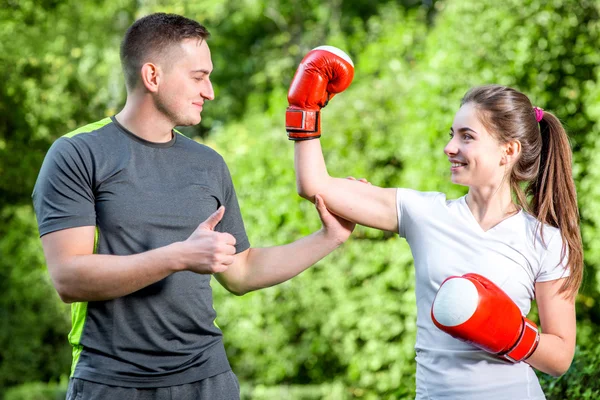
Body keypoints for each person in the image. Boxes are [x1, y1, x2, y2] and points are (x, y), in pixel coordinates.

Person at [32, 14, 355, 400]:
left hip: (209, 381)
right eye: (199, 77)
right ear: (152, 76)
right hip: (112, 383)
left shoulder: (208, 163)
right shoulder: (78, 153)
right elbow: (69, 278)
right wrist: (180, 256)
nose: (210, 91)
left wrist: (330, 236)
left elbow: (242, 270)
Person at [286, 46, 583, 399]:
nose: (449, 147)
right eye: (451, 134)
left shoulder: (546, 241)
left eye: (467, 136)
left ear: (509, 151)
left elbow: (561, 357)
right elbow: (315, 187)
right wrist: (304, 110)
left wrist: (512, 334)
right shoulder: (423, 213)